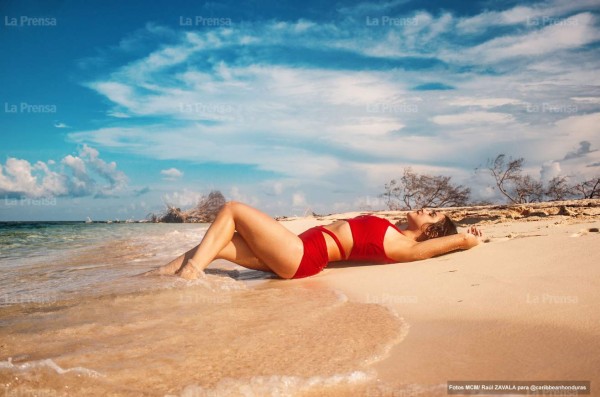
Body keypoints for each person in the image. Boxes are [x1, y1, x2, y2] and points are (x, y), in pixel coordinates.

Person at [144, 201, 484, 280]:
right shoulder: (395, 234)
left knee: (232, 209)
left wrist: (466, 240)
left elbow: (438, 248)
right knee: (216, 243)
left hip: (300, 255)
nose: (427, 210)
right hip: (294, 255)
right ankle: (158, 277)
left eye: (433, 215)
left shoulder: (406, 245)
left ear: (432, 232)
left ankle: (190, 275)